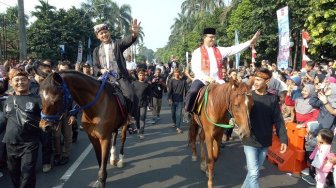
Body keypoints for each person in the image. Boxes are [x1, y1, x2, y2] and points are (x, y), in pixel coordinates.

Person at [184, 27, 260, 114]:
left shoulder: (219, 50)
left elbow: (234, 49)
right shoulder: (197, 52)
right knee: (193, 91)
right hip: (202, 80)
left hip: (218, 81)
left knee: (233, 93)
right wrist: (207, 78)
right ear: (204, 37)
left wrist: (250, 41)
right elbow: (195, 69)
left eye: (214, 37)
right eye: (210, 37)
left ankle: (232, 118)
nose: (213, 39)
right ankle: (188, 112)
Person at [241, 68, 288, 188]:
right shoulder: (248, 96)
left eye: (258, 80)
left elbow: (278, 120)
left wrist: (283, 139)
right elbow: (238, 113)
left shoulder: (273, 98)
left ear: (267, 81)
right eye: (254, 79)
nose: (255, 82)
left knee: (253, 172)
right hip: (250, 140)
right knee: (254, 173)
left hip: (265, 141)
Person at [3, 68, 42, 188]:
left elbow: (44, 121)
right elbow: (5, 120)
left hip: (29, 144)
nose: (20, 82)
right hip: (10, 143)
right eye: (17, 80)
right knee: (14, 174)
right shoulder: (8, 100)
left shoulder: (37, 100)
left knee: (27, 173)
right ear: (11, 83)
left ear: (29, 81)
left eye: (23, 80)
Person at [92, 20, 140, 116]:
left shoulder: (117, 44)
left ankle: (129, 118)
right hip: (104, 78)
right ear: (98, 37)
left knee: (131, 95)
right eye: (101, 33)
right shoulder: (96, 50)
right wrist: (101, 70)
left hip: (119, 77)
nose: (104, 34)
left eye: (105, 32)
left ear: (109, 33)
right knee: (91, 96)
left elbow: (129, 40)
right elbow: (95, 66)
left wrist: (134, 33)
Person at [132, 69, 151, 139]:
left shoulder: (147, 84)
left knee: (142, 118)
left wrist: (150, 104)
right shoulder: (134, 83)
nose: (142, 76)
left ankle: (141, 132)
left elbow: (150, 95)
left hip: (144, 104)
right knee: (137, 118)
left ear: (145, 76)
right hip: (136, 104)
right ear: (138, 76)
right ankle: (138, 127)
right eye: (140, 75)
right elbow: (131, 94)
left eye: (143, 75)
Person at [168, 69, 188, 133]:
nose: (177, 74)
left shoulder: (183, 81)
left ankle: (178, 127)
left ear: (179, 73)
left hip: (180, 100)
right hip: (173, 100)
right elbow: (169, 91)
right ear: (174, 73)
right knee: (173, 113)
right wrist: (169, 99)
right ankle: (174, 122)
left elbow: (187, 89)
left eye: (178, 72)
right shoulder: (171, 81)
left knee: (179, 114)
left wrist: (187, 97)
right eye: (175, 73)